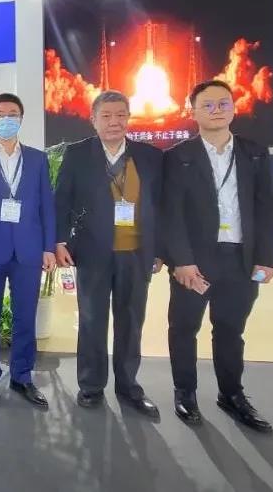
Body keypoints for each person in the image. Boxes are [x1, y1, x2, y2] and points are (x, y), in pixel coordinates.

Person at [162, 79, 273, 433]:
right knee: (184, 328)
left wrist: (267, 258)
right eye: (208, 105)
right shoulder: (178, 157)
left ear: (234, 108)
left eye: (223, 103)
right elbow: (171, 213)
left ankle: (231, 394)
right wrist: (180, 261)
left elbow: (266, 208)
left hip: (241, 260)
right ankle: (185, 393)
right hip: (195, 263)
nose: (216, 110)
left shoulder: (254, 153)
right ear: (193, 112)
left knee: (230, 330)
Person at [54, 91, 163, 418]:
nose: (114, 122)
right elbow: (62, 200)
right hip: (92, 253)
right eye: (106, 115)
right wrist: (59, 241)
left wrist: (159, 250)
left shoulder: (149, 156)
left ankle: (129, 387)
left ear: (128, 118)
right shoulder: (78, 154)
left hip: (136, 254)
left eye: (120, 115)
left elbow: (163, 206)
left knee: (131, 322)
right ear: (93, 120)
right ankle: (90, 386)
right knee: (92, 321)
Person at [0, 93, 56, 408]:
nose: (6, 119)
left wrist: (48, 247)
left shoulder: (37, 159)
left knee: (25, 317)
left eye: (12, 114)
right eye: (0, 114)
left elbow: (46, 205)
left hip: (29, 250)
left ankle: (22, 376)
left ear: (21, 119)